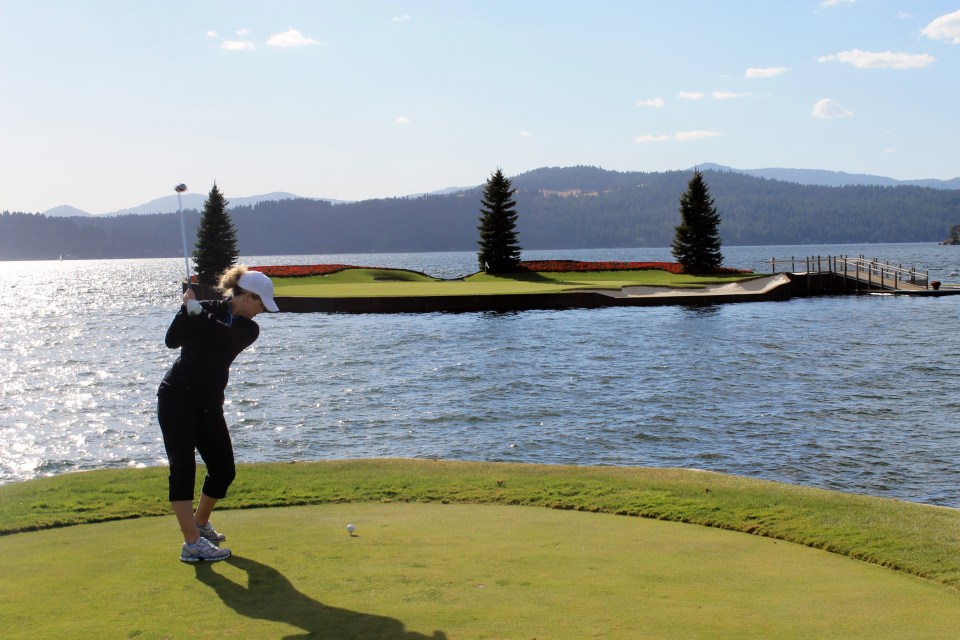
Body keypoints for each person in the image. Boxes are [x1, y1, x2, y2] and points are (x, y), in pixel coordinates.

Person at [157, 265, 279, 563]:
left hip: (209, 402)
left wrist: (199, 315)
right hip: (176, 398)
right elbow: (172, 341)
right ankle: (192, 544)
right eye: (260, 303)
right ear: (247, 296)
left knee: (224, 470)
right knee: (183, 467)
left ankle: (200, 523)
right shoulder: (204, 308)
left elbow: (225, 338)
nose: (262, 310)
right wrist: (185, 311)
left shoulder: (248, 328)